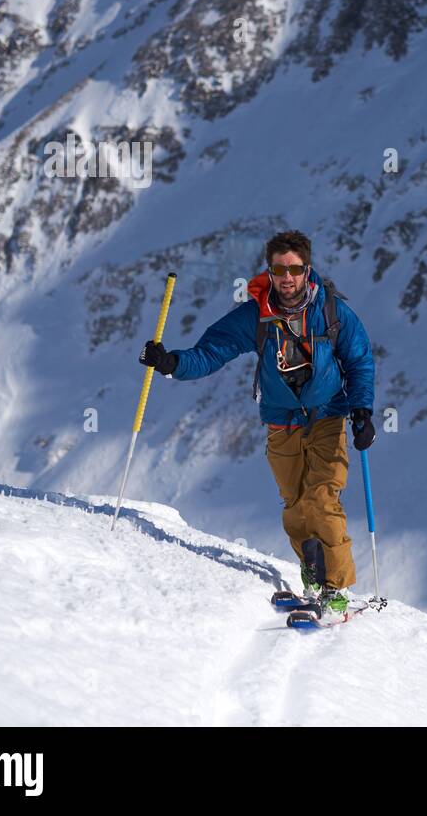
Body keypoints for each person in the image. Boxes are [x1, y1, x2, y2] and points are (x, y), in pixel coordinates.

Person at [138, 230, 376, 613]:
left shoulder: (331, 311)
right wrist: (172, 364)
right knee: (295, 503)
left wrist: (362, 410)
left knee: (322, 498)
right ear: (270, 270)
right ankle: (312, 575)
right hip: (281, 423)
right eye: (279, 269)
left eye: (295, 269)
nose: (287, 277)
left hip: (328, 416)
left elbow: (359, 361)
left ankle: (337, 589)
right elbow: (213, 351)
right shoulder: (257, 315)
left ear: (307, 269)